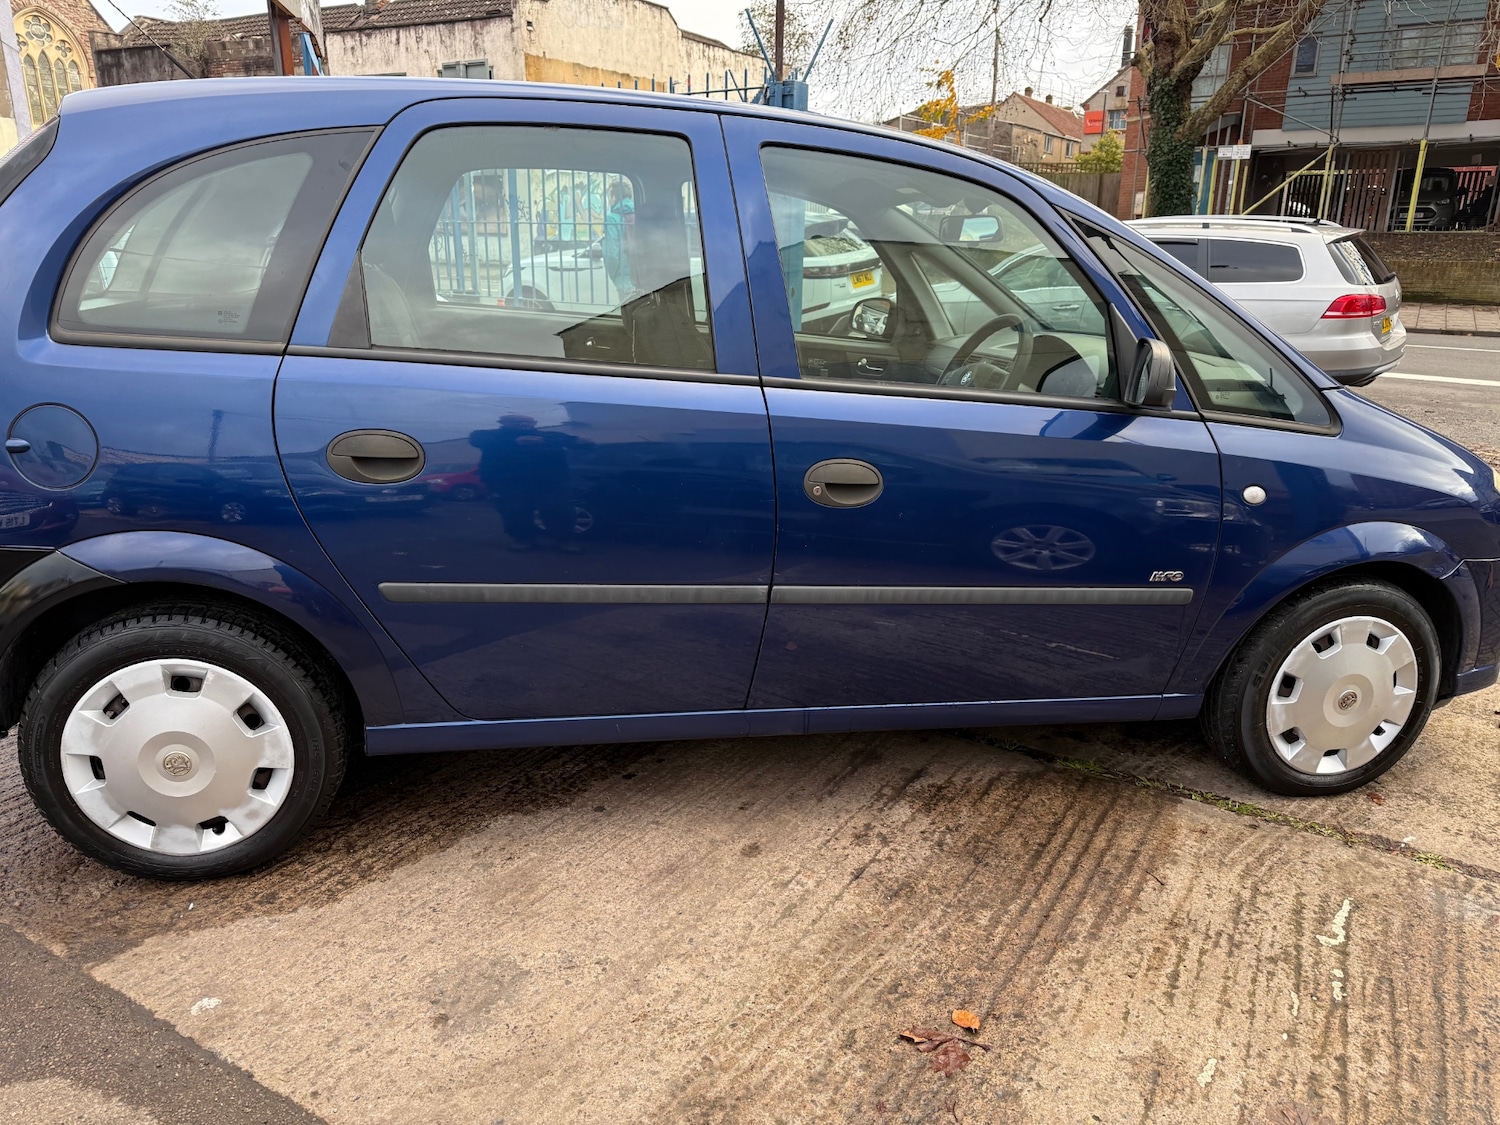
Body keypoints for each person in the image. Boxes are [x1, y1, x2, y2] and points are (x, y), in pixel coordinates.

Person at [602, 179, 636, 298]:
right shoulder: (638, 213)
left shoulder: (612, 219)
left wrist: (612, 275)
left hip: (622, 280)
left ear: (614, 197)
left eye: (609, 196)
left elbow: (612, 254)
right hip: (640, 277)